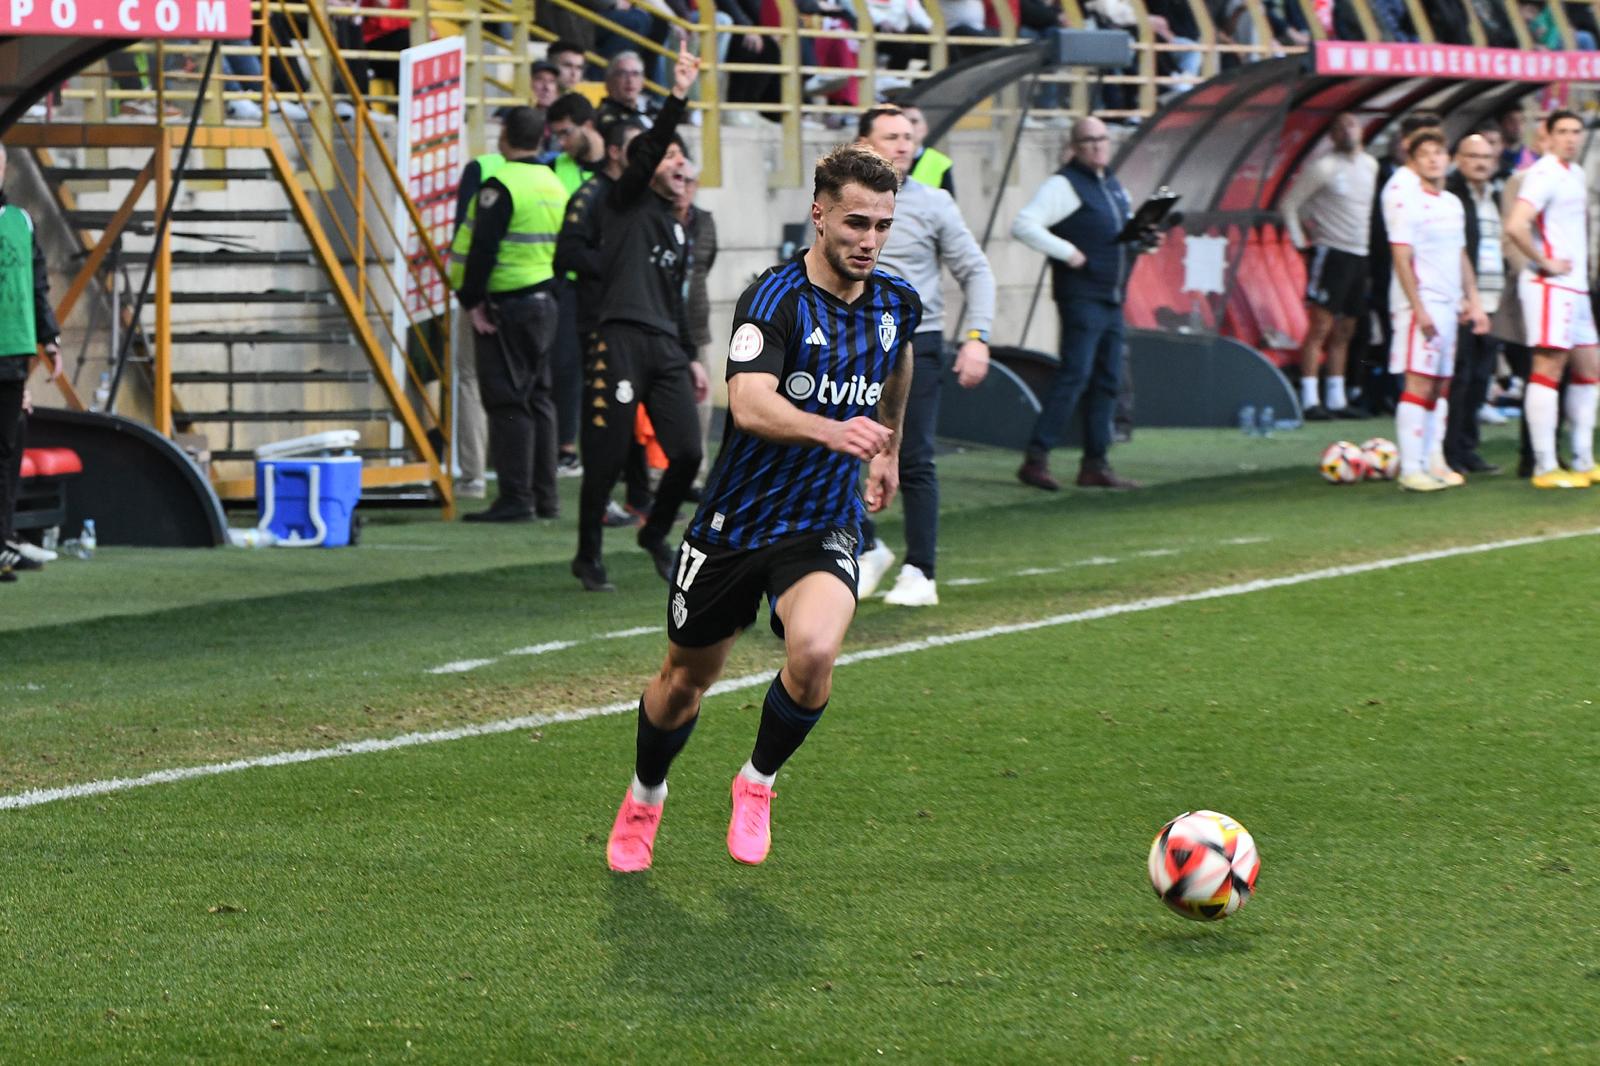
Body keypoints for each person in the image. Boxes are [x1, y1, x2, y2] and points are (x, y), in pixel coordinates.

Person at [603, 143, 917, 873]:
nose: (868, 241)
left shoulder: (896, 302)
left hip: (823, 522)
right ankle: (646, 794)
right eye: (854, 223)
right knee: (684, 681)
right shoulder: (772, 298)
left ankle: (758, 782)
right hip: (735, 524)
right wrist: (836, 430)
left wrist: (887, 447)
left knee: (813, 651)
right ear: (818, 213)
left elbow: (900, 360)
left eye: (881, 226)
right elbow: (747, 403)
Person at [572, 42, 708, 592]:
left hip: (666, 349)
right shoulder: (622, 203)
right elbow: (648, 150)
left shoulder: (679, 228)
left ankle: (654, 533)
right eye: (666, 157)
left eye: (681, 157)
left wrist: (692, 357)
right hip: (620, 339)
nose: (676, 163)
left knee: (690, 452)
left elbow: (676, 298)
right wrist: (677, 93)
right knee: (606, 453)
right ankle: (588, 554)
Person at [850, 106, 994, 607]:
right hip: (853, 341)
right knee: (836, 446)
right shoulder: (840, 199)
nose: (903, 145)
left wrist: (978, 336)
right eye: (891, 136)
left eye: (908, 136)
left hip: (917, 342)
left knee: (912, 456)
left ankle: (921, 571)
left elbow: (975, 271)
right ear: (863, 143)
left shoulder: (934, 203)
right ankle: (866, 548)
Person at [1010, 116, 1145, 491]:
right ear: (1074, 146)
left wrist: (1144, 239)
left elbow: (1122, 237)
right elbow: (1023, 224)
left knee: (1108, 380)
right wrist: (1067, 252)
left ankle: (1095, 463)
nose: (1098, 145)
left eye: (1102, 138)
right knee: (1075, 375)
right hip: (1083, 296)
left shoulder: (1112, 185)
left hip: (1111, 296)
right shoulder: (1063, 185)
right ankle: (1036, 458)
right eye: (1089, 140)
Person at [454, 108, 570, 521]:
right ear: (542, 138)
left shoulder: (500, 186)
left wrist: (471, 302)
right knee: (539, 398)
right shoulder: (554, 184)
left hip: (507, 305)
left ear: (504, 136)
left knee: (507, 401)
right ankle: (546, 498)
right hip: (545, 302)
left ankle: (516, 498)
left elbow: (483, 250)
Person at [1382, 128, 1488, 493]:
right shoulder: (1407, 202)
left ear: (1448, 158)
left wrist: (1472, 299)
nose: (1433, 159)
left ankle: (1433, 460)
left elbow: (1460, 256)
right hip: (1422, 305)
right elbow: (1401, 256)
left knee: (1441, 385)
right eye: (1424, 153)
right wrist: (1418, 307)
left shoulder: (1451, 203)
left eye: (1438, 152)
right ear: (1413, 161)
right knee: (1418, 382)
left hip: (1449, 304)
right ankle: (1411, 468)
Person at [1504, 109, 1598, 488]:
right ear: (1547, 135)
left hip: (1574, 285)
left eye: (1576, 132)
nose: (1571, 139)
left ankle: (1582, 458)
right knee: (1548, 368)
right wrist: (1544, 261)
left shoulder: (1574, 173)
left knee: (1590, 369)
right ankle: (1544, 465)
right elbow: (1515, 225)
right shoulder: (1542, 174)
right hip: (1549, 284)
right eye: (1563, 132)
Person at [1279, 111, 1378, 420]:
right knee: (1320, 325)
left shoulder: (1370, 165)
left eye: (1351, 124)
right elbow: (1290, 204)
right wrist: (1300, 240)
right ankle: (1310, 399)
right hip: (1331, 251)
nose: (1347, 130)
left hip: (1359, 253)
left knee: (1347, 328)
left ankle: (1336, 397)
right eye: (1340, 127)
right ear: (1332, 136)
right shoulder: (1323, 168)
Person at [0, 143, 63, 582]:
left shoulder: (20, 221)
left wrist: (49, 337)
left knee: (7, 451)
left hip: (13, 351)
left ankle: (3, 542)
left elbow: (36, 282)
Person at [543, 92, 602, 475]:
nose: (561, 143)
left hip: (606, 286)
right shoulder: (553, 169)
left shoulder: (615, 170)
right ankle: (565, 447)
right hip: (567, 283)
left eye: (566, 133)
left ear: (588, 126)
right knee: (565, 365)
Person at [1444, 132, 1505, 476]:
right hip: (1465, 301)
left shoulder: (1496, 197)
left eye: (1486, 157)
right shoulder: (1453, 198)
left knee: (1482, 376)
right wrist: (1468, 297)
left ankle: (1468, 448)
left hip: (1495, 298)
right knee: (1461, 376)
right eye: (1472, 156)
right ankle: (1450, 451)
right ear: (1459, 159)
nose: (1480, 163)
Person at [676, 163, 718, 489]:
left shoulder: (704, 221)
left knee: (701, 403)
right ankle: (657, 474)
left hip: (697, 323)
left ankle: (694, 476)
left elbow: (706, 264)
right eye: (680, 181)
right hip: (663, 325)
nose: (684, 188)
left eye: (689, 181)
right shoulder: (658, 218)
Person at [594, 51, 660, 133]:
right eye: (623, 74)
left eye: (635, 74)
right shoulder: (600, 117)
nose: (630, 80)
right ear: (609, 81)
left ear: (643, 81)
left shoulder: (653, 109)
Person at [901, 104, 955, 198]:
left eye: (914, 121)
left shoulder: (940, 163)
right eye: (902, 121)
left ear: (925, 128)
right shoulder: (880, 159)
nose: (908, 126)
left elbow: (948, 206)